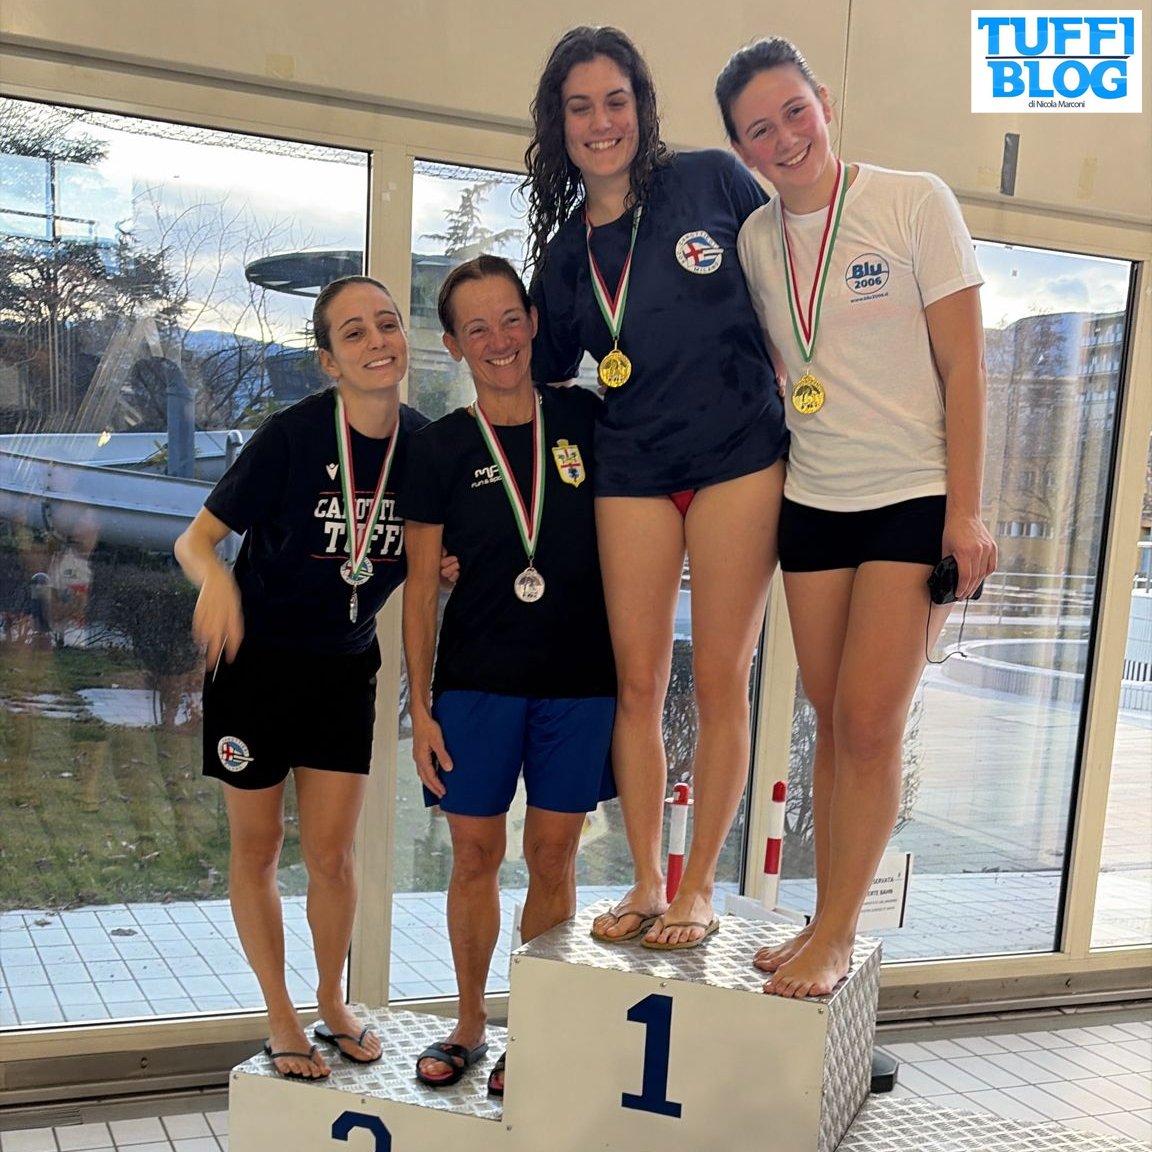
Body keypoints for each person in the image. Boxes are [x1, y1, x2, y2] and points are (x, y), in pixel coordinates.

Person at [716, 37, 998, 997]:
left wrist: (966, 512)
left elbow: (966, 366)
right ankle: (821, 917)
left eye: (795, 111)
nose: (785, 137)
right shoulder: (757, 243)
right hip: (815, 501)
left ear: (825, 102)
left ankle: (838, 932)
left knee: (872, 724)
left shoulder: (914, 201)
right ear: (743, 150)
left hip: (911, 497)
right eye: (760, 129)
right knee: (831, 723)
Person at [524, 26, 789, 950]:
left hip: (738, 461)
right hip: (632, 471)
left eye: (616, 101)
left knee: (720, 678)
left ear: (642, 107)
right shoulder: (565, 257)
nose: (602, 122)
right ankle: (645, 879)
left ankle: (699, 886)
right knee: (637, 684)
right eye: (581, 107)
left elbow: (789, 286)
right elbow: (540, 380)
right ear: (559, 125)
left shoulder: (712, 180)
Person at [174, 276, 426, 1078]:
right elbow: (193, 541)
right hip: (255, 666)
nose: (377, 340)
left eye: (387, 323)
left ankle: (329, 1002)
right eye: (353, 333)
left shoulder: (426, 447)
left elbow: (435, 548)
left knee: (333, 856)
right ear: (328, 361)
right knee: (258, 847)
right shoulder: (291, 437)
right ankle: (279, 1013)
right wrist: (216, 580)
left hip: (345, 670)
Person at [399, 255, 616, 1095]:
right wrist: (421, 711)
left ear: (532, 324)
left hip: (579, 680)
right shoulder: (438, 449)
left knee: (553, 856)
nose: (499, 340)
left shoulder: (585, 418)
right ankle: (467, 1023)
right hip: (476, 683)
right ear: (455, 345)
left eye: (510, 319)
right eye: (477, 327)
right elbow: (422, 590)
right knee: (475, 855)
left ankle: (536, 1031)